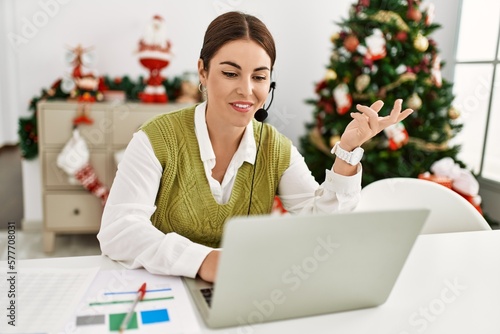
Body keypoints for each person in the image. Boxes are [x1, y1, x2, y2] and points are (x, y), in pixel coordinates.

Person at [97, 11, 413, 283]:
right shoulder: (155, 139)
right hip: (163, 289)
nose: (246, 90)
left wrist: (347, 149)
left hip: (241, 290)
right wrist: (205, 261)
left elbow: (320, 222)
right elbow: (119, 230)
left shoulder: (275, 148)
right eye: (230, 73)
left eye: (259, 77)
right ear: (203, 72)